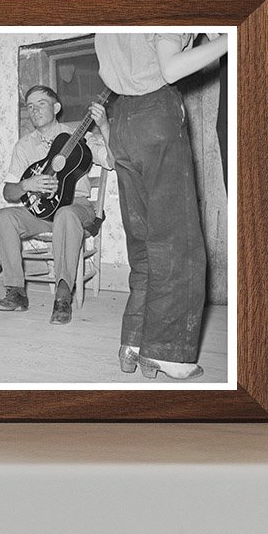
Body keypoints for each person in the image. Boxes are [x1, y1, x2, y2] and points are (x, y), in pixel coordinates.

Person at [94, 32, 228, 380]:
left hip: (121, 121)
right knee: (178, 243)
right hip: (155, 114)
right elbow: (170, 69)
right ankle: (167, 353)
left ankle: (133, 343)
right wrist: (232, 39)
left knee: (143, 246)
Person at [0, 86, 114, 325]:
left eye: (41, 104)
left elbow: (111, 161)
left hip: (75, 207)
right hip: (43, 212)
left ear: (56, 108)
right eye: (30, 106)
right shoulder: (23, 146)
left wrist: (104, 127)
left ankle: (62, 295)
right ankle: (15, 292)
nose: (34, 110)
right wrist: (26, 184)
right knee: (4, 216)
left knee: (65, 215)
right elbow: (8, 192)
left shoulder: (79, 136)